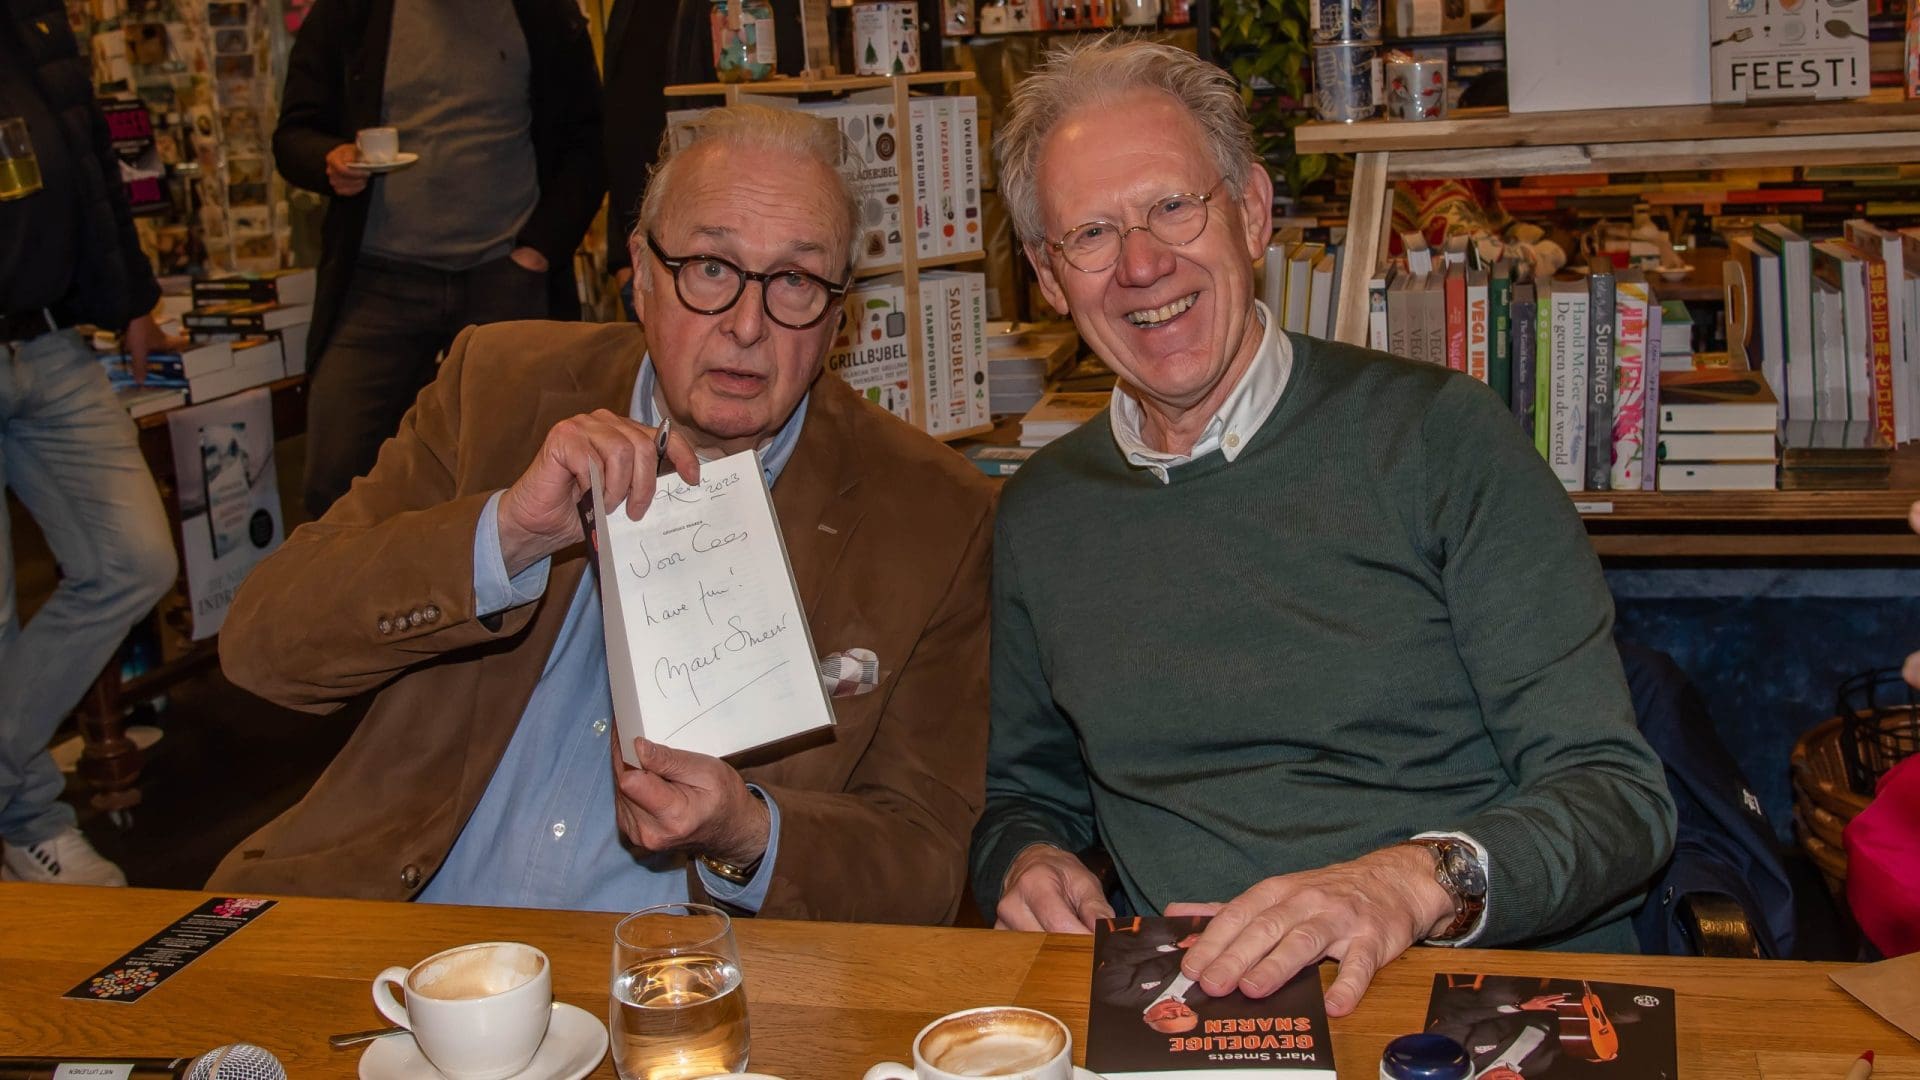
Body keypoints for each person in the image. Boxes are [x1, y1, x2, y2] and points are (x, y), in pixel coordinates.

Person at [970, 37, 1677, 1015]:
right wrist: (1028, 862)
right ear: (1050, 279)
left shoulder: (1442, 442)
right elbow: (1024, 793)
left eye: (1174, 206)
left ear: (1252, 213)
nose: (1140, 264)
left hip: (1475, 995)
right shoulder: (1042, 513)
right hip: (1195, 1018)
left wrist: (1413, 884)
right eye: (1091, 234)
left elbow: (1617, 800)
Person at [208, 104, 996, 925]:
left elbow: (925, 861)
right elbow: (264, 645)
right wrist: (503, 538)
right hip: (406, 934)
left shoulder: (933, 514)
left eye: (795, 281)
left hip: (677, 995)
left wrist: (749, 833)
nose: (748, 325)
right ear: (642, 275)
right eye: (710, 268)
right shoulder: (496, 387)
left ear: (837, 318)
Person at [275, 0, 605, 518]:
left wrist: (539, 249)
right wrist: (327, 160)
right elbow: (293, 132)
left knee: (520, 477)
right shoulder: (352, 12)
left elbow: (590, 139)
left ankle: (494, 596)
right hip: (378, 280)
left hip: (505, 275)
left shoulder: (542, 11)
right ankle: (360, 597)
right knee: (334, 481)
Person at [1, 0, 178, 885]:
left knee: (135, 559)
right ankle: (30, 818)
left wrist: (130, 296)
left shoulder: (36, 20)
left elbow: (88, 157)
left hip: (47, 336)